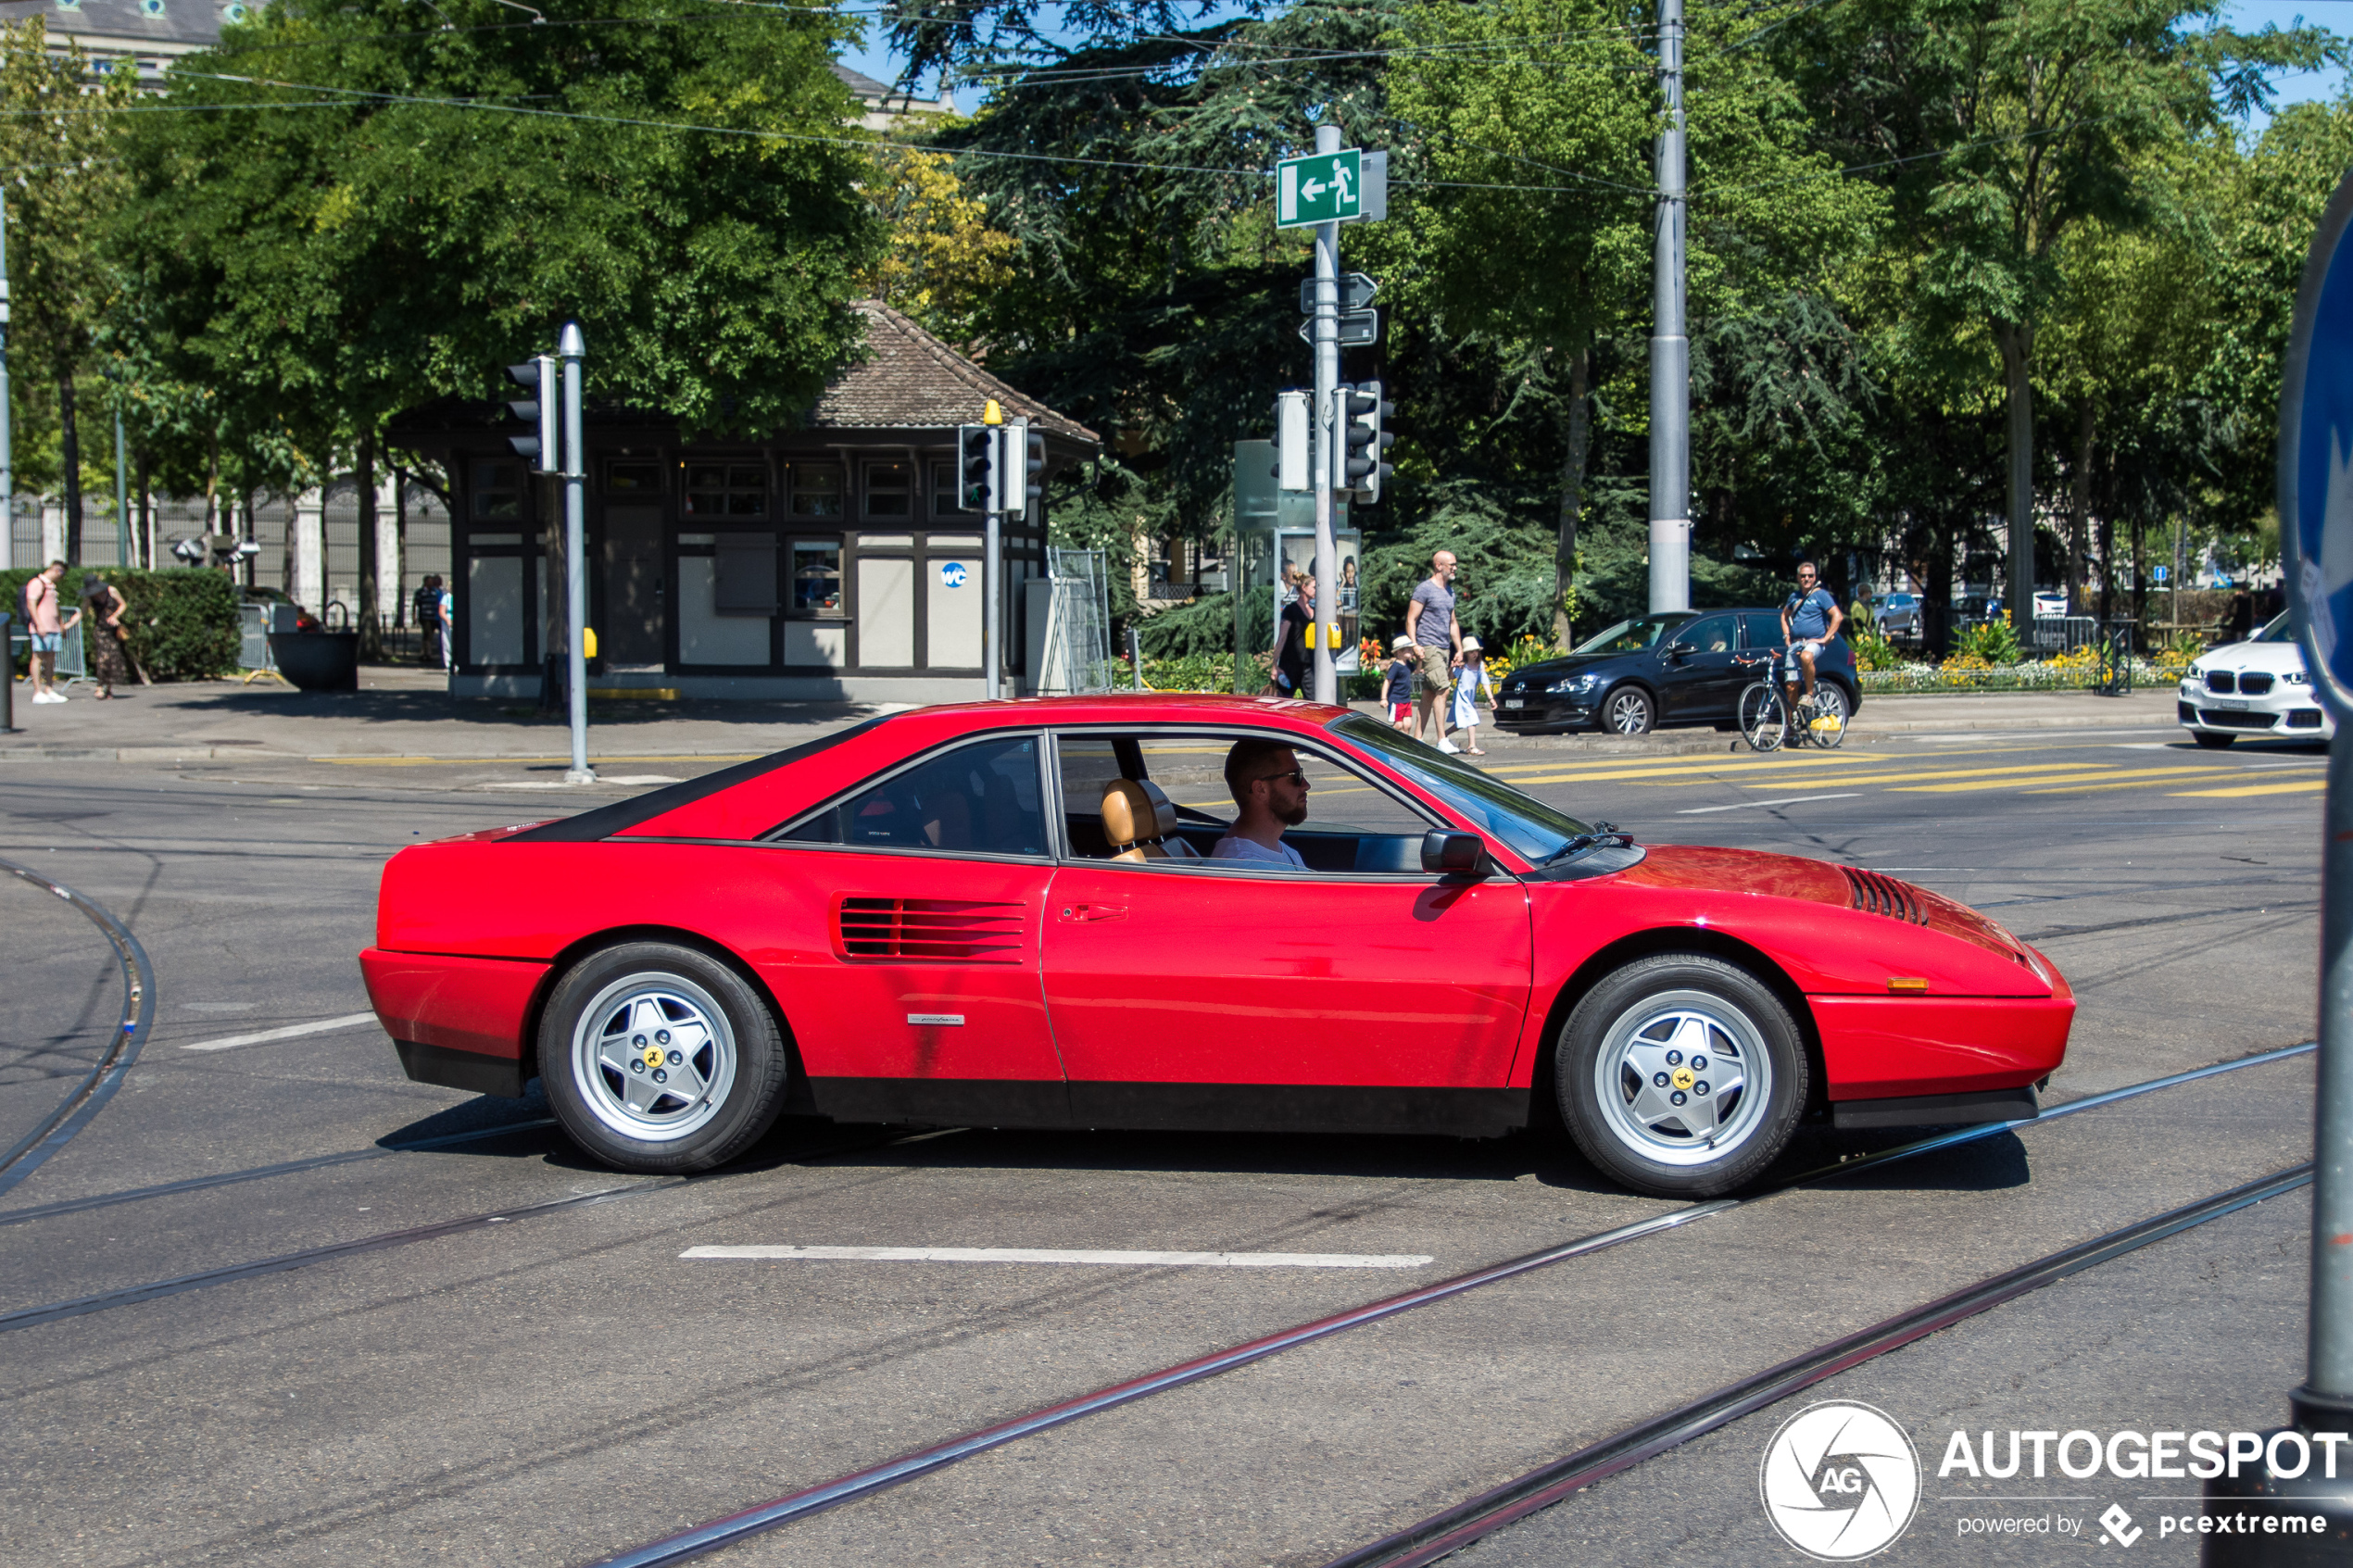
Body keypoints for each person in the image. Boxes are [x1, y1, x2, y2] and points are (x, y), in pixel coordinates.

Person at [1213, 737, 1310, 869]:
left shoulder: (1279, 851)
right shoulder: (1246, 867)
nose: (1306, 785)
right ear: (1261, 789)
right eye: (1295, 776)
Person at [1407, 550, 1463, 749]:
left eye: (1455, 564)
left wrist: (1459, 649)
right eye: (1452, 564)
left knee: (1429, 693)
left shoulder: (1450, 592)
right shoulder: (1424, 589)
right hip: (1428, 645)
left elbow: (1453, 622)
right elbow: (1411, 619)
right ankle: (1442, 740)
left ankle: (1416, 739)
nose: (1455, 568)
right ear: (1439, 565)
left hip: (1444, 647)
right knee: (1443, 689)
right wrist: (1415, 644)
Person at [1779, 559, 1845, 721]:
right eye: (1803, 576)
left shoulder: (1821, 595)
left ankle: (1809, 694)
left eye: (1810, 575)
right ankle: (1790, 726)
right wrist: (1787, 636)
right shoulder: (1794, 597)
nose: (1807, 579)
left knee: (1806, 657)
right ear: (1798, 577)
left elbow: (1837, 616)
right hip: (1796, 643)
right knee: (1791, 686)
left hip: (1814, 642)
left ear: (1815, 577)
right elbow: (1783, 616)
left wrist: (1826, 638)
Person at [23, 559, 80, 705]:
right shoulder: (37, 583)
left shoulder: (52, 587)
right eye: (62, 574)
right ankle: (38, 691)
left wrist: (61, 626)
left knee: (51, 659)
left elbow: (56, 608)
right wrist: (39, 624)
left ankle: (49, 689)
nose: (62, 578)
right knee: (38, 657)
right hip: (41, 627)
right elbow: (31, 604)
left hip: (53, 628)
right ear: (57, 571)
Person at [81, 573, 130, 699]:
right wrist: (68, 624)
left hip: (113, 630)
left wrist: (115, 615)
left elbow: (123, 604)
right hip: (100, 630)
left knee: (112, 659)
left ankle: (109, 688)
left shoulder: (111, 591)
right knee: (102, 658)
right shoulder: (90, 597)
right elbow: (82, 612)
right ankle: (99, 686)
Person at [1270, 573, 1314, 696]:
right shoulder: (1291, 610)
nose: (1316, 590)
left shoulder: (1315, 611)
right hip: (1290, 664)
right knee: (1284, 699)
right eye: (1314, 587)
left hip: (1308, 665)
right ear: (1304, 588)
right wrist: (1275, 664)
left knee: (1314, 700)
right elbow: (1282, 638)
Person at [1451, 636, 1495, 755]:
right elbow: (1451, 677)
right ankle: (1471, 747)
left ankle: (1443, 736)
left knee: (1460, 724)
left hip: (1469, 698)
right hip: (1461, 696)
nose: (1474, 654)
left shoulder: (1480, 665)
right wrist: (1452, 668)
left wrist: (1491, 698)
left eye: (1476, 651)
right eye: (1471, 652)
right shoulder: (1462, 666)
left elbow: (1485, 681)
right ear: (1465, 653)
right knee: (1472, 718)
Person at [1383, 635, 1415, 729]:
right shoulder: (1396, 666)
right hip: (1396, 700)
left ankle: (1405, 742)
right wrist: (1383, 698)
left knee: (1408, 725)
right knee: (1398, 725)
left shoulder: (1408, 664)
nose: (1411, 651)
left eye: (1411, 649)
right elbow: (1387, 681)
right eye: (1408, 649)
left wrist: (1420, 660)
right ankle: (1388, 738)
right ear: (1399, 651)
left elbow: (1416, 671)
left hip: (1406, 700)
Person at [413, 574, 445, 665]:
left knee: (429, 635)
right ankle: (427, 653)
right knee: (427, 634)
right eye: (430, 581)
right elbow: (415, 604)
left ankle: (424, 652)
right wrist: (414, 616)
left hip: (434, 616)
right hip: (425, 617)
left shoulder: (435, 592)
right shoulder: (420, 592)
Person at [437, 579, 457, 672]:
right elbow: (441, 611)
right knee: (447, 643)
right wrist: (447, 620)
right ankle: (448, 664)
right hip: (447, 623)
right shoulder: (447, 597)